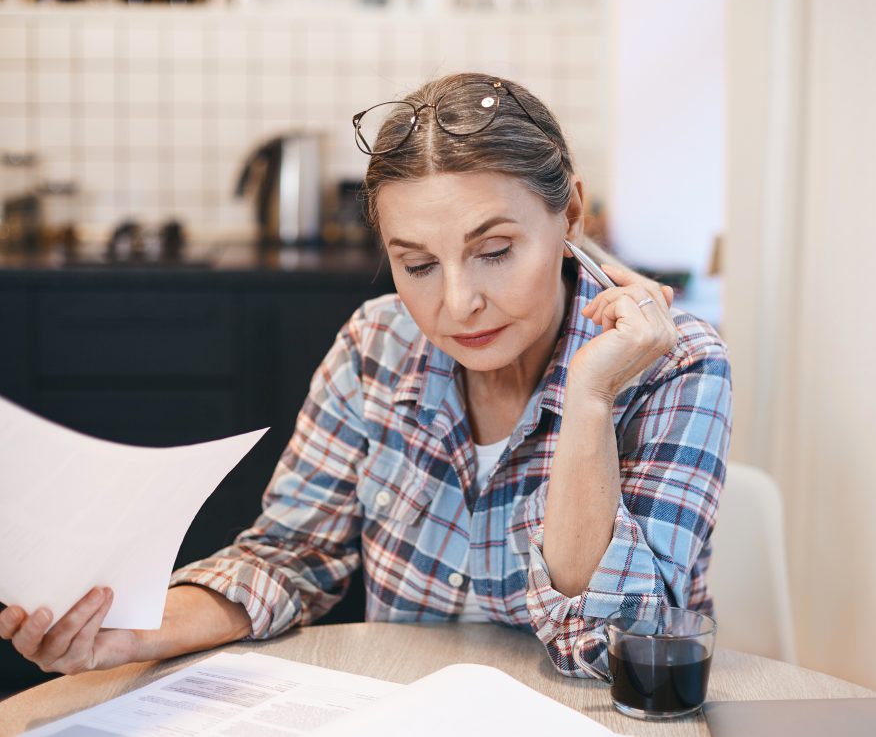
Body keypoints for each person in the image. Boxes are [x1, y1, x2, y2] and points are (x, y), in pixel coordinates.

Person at [0, 73, 731, 678]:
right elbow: (290, 558)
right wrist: (132, 634)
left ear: (569, 213)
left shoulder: (679, 365)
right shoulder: (375, 344)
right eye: (416, 264)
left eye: (496, 250)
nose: (456, 304)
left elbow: (609, 644)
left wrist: (590, 399)